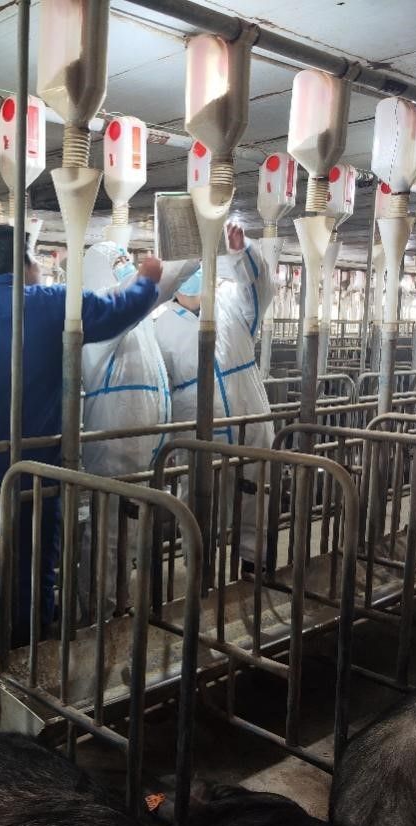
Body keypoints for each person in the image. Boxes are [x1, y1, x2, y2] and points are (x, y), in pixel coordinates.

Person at [0, 224, 193, 656]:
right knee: (35, 562)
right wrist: (147, 283)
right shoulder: (51, 303)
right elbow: (116, 312)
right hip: (36, 471)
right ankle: (31, 656)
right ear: (24, 264)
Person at [153, 222, 274, 569]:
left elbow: (261, 288)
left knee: (255, 493)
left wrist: (241, 252)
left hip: (249, 419)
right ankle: (200, 571)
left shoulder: (232, 303)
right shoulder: (160, 325)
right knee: (198, 502)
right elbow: (160, 390)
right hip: (197, 430)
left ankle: (253, 564)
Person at [78, 241, 172, 620]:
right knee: (109, 532)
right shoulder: (104, 314)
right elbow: (148, 290)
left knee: (126, 529)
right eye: (118, 263)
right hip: (116, 442)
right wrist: (161, 270)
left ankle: (116, 600)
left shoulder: (137, 321)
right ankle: (97, 612)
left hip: (139, 442)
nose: (126, 268)